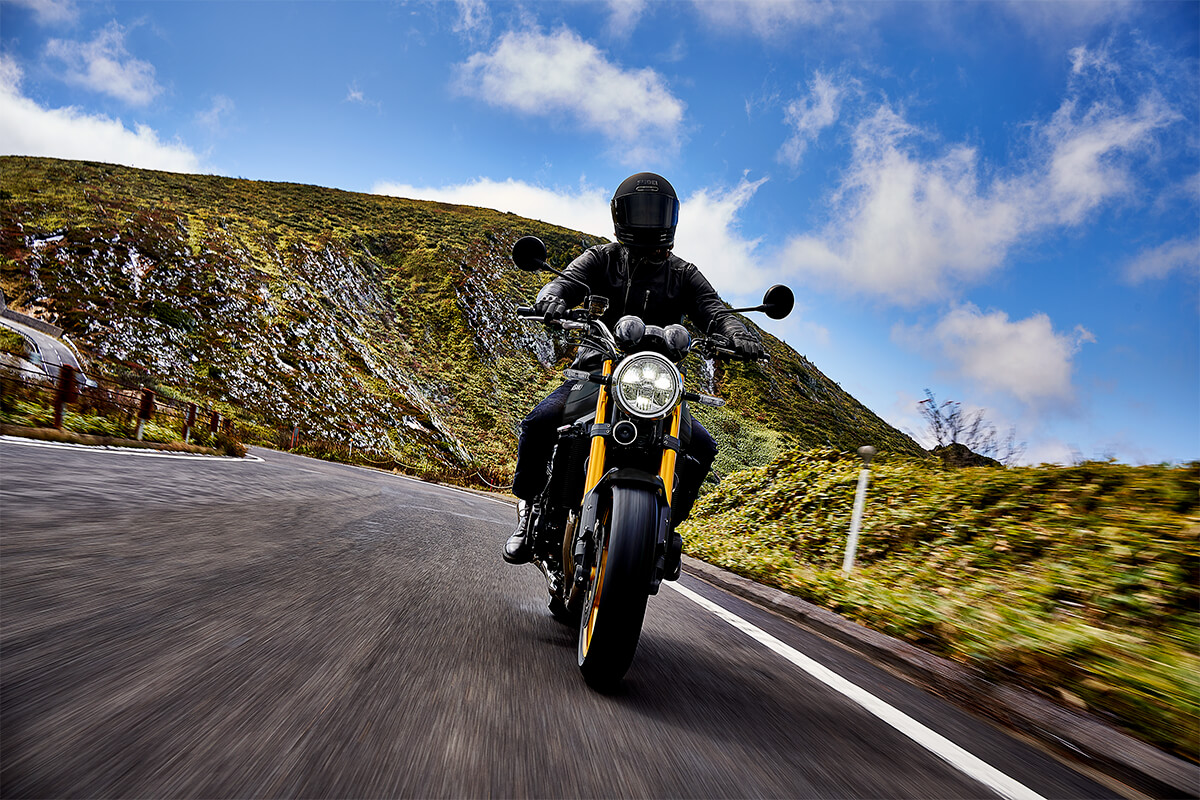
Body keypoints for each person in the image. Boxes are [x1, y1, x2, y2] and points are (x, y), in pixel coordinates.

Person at [503, 172, 764, 578]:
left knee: (703, 449)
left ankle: (664, 529)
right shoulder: (601, 259)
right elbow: (565, 283)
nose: (649, 219)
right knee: (540, 422)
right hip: (597, 370)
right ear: (620, 214)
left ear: (672, 217)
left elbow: (713, 310)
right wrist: (552, 299)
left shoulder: (684, 274)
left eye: (657, 211)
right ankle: (530, 507)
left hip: (657, 384)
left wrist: (737, 333)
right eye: (641, 210)